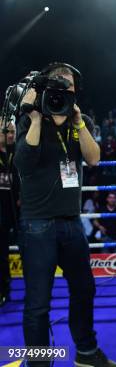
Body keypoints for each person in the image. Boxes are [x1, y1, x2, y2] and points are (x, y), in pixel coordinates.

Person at [14, 63, 116, 366]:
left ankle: (86, 353)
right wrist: (34, 117)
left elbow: (94, 159)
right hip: (37, 224)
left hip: (71, 223)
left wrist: (79, 122)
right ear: (46, 85)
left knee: (85, 289)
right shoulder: (32, 117)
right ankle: (38, 361)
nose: (64, 87)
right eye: (58, 81)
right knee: (38, 303)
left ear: (76, 88)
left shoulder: (79, 120)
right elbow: (24, 163)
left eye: (69, 83)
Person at [0, 118, 18, 307]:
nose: (11, 135)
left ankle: (36, 290)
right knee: (1, 255)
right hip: (1, 213)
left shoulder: (18, 152)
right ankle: (4, 290)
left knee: (30, 252)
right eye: (7, 132)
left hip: (20, 211)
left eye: (13, 132)